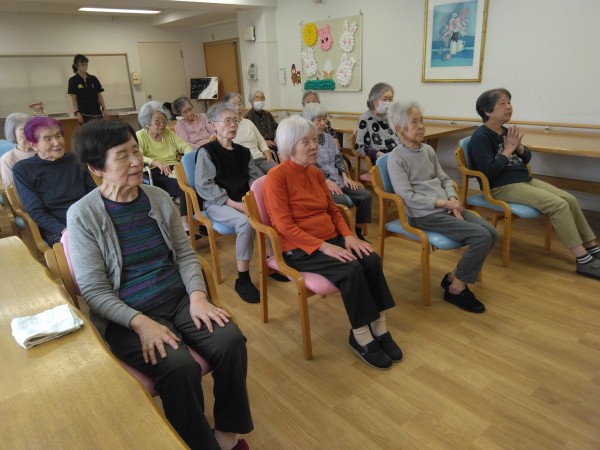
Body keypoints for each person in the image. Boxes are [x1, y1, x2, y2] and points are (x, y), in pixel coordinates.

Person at [68, 119, 253, 450]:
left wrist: (198, 296)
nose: (136, 161)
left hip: (178, 299)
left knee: (230, 341)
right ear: (97, 168)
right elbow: (94, 292)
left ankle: (227, 431)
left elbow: (185, 255)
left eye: (136, 151)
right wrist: (141, 324)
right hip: (127, 315)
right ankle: (198, 443)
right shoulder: (83, 215)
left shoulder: (157, 197)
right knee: (179, 367)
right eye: (122, 156)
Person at [263, 115, 402, 370]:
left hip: (330, 238)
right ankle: (360, 336)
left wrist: (348, 236)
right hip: (299, 248)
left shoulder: (315, 173)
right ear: (289, 146)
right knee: (351, 269)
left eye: (314, 140)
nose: (313, 146)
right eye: (305, 141)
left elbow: (333, 211)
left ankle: (379, 328)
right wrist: (324, 246)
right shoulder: (276, 177)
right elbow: (283, 225)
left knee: (371, 259)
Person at [471, 88, 600, 280]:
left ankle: (592, 247)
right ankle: (583, 259)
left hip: (523, 179)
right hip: (501, 187)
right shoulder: (480, 137)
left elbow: (526, 159)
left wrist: (519, 148)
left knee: (570, 199)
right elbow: (488, 171)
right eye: (503, 103)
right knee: (558, 205)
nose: (509, 107)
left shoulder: (506, 131)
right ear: (487, 111)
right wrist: (507, 151)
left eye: (509, 102)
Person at [387, 102, 498, 313]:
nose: (421, 126)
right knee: (481, 237)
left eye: (421, 121)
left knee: (491, 233)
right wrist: (443, 203)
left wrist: (453, 199)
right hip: (424, 214)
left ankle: (453, 276)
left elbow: (445, 179)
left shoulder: (428, 150)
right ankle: (456, 289)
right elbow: (407, 197)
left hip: (446, 206)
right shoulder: (396, 158)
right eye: (414, 122)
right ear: (399, 129)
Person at [195, 103, 262, 303]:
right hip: (217, 202)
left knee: (270, 213)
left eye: (235, 121)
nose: (233, 125)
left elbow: (255, 178)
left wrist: (257, 197)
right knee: (245, 223)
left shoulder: (243, 152)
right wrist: (235, 205)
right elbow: (205, 186)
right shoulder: (207, 151)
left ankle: (271, 262)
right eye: (227, 121)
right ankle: (243, 279)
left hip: (242, 198)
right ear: (213, 125)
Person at [12, 116, 95, 246]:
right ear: (34, 145)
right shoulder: (23, 169)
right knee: (85, 247)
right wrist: (64, 230)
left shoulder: (75, 159)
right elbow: (36, 211)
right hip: (57, 228)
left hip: (88, 220)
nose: (57, 143)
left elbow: (93, 194)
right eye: (48, 139)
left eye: (58, 136)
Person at [302, 103, 372, 241]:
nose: (323, 123)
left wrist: (345, 176)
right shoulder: (306, 142)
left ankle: (358, 232)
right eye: (318, 120)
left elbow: (338, 158)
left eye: (324, 119)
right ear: (309, 122)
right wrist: (326, 181)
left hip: (338, 179)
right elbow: (311, 166)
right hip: (322, 183)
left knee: (365, 195)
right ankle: (344, 236)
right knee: (342, 201)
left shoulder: (328, 138)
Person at [136, 101, 195, 234]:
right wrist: (155, 162)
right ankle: (185, 224)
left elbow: (185, 146)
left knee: (198, 183)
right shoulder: (140, 136)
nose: (162, 125)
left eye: (164, 121)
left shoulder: (168, 133)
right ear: (147, 123)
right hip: (154, 172)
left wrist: (187, 158)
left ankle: (199, 218)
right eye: (157, 122)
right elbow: (138, 155)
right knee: (184, 187)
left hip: (174, 168)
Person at [222, 92, 276, 175]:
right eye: (233, 105)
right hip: (244, 162)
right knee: (260, 178)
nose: (238, 108)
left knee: (279, 171)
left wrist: (267, 154)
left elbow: (261, 140)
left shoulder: (248, 122)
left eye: (240, 104)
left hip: (260, 158)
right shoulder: (225, 127)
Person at [356, 82, 401, 162]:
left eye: (390, 99)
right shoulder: (365, 119)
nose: (388, 103)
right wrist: (380, 155)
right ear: (374, 100)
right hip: (382, 159)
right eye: (384, 99)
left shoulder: (389, 116)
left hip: (397, 156)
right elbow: (359, 146)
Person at [67, 54, 107, 124]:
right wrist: (77, 113)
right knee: (87, 131)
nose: (85, 66)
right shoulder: (72, 80)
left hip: (97, 113)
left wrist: (104, 108)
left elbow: (99, 95)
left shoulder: (93, 78)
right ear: (76, 65)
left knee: (100, 130)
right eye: (82, 64)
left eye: (86, 64)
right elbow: (74, 98)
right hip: (84, 115)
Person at [1, 112, 35, 189]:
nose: (29, 135)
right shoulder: (7, 159)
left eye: (32, 130)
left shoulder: (44, 151)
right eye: (23, 132)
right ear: (13, 134)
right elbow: (12, 189)